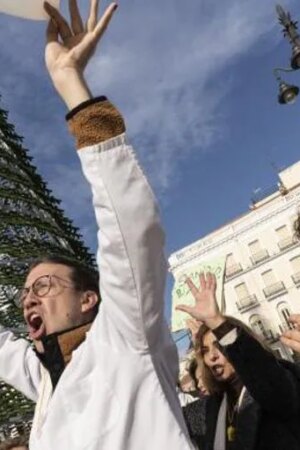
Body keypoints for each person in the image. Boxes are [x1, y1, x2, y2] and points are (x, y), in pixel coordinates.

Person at [0, 1, 194, 449]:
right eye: (27, 292)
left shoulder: (124, 337)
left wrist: (72, 85)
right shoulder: (47, 378)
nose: (29, 297)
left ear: (90, 299)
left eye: (44, 286)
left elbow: (132, 225)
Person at [177, 272, 300, 450]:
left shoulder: (276, 383)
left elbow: (265, 376)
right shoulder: (212, 408)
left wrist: (216, 322)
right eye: (205, 351)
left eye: (219, 346)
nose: (212, 357)